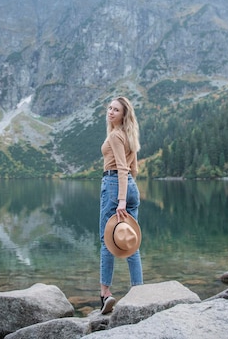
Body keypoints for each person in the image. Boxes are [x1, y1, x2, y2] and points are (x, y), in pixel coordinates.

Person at [99, 96, 143, 314]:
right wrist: (130, 193)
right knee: (129, 240)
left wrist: (121, 199)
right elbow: (133, 168)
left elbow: (123, 168)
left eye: (115, 110)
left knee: (107, 240)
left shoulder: (116, 136)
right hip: (130, 187)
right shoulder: (130, 135)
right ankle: (138, 290)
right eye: (109, 108)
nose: (110, 112)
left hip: (115, 185)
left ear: (124, 114)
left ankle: (105, 294)